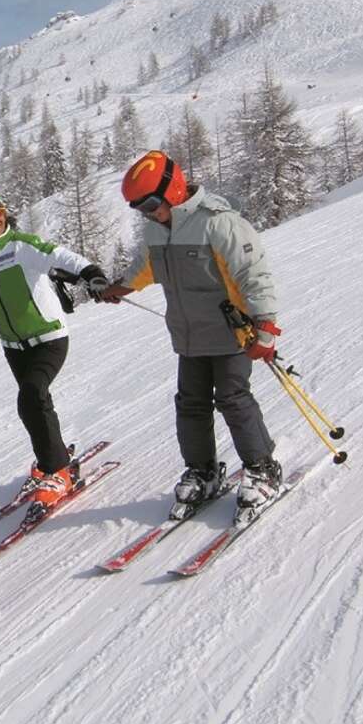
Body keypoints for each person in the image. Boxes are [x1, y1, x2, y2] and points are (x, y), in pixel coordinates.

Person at [98, 150, 283, 514]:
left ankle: (263, 468)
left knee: (233, 398)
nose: (148, 213)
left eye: (151, 203)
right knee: (191, 404)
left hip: (233, 334)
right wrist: (121, 287)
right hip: (189, 337)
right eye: (139, 208)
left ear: (174, 188)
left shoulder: (218, 223)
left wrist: (265, 325)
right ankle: (203, 471)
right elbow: (146, 266)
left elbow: (253, 273)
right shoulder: (158, 229)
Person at [0, 188, 108, 508]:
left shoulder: (22, 246)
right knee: (33, 403)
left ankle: (58, 469)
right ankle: (53, 456)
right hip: (15, 348)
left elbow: (58, 255)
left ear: (6, 214)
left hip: (48, 337)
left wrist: (91, 274)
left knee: (32, 395)